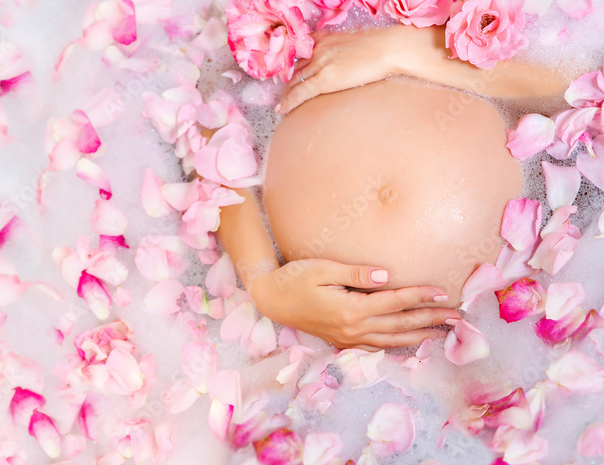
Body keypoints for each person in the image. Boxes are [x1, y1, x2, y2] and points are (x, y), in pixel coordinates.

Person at [212, 24, 573, 352]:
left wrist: (400, 49)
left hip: (480, 336)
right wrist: (265, 288)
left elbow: (586, 86)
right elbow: (208, 117)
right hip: (331, 340)